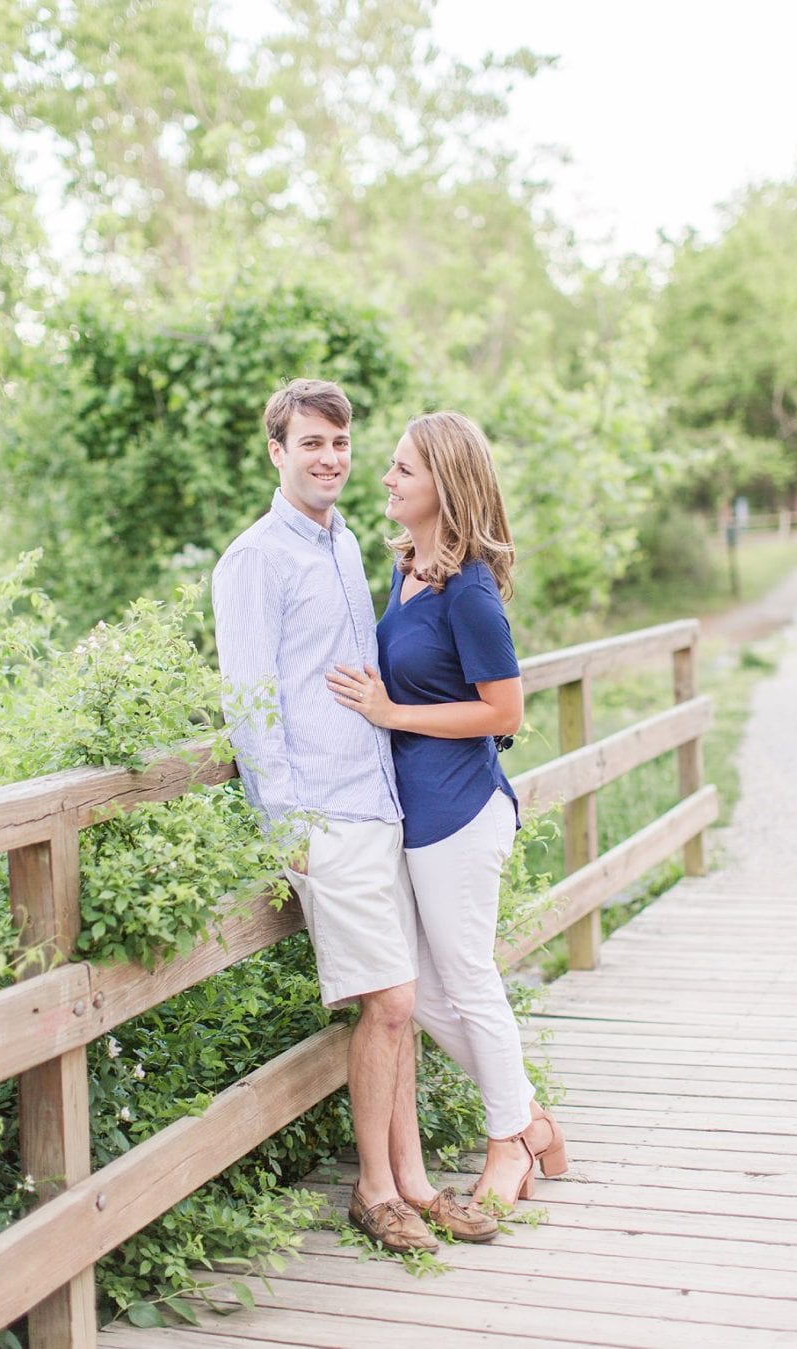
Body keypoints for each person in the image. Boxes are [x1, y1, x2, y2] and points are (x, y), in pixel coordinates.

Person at [213, 379, 497, 1253]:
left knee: (397, 1005)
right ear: (278, 451)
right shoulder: (255, 559)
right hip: (323, 815)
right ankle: (374, 1190)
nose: (330, 458)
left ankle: (411, 1180)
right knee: (390, 999)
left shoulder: (345, 547)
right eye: (311, 444)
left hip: (381, 804)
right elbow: (249, 703)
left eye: (340, 443)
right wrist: (285, 827)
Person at [326, 409, 567, 1209]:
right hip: (412, 813)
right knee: (423, 996)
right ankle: (529, 1114)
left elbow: (506, 714)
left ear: (445, 486)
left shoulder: (469, 594)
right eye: (391, 465)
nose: (386, 479)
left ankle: (510, 1149)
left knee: (465, 978)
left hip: (461, 812)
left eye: (403, 470)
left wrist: (392, 714)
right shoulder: (405, 568)